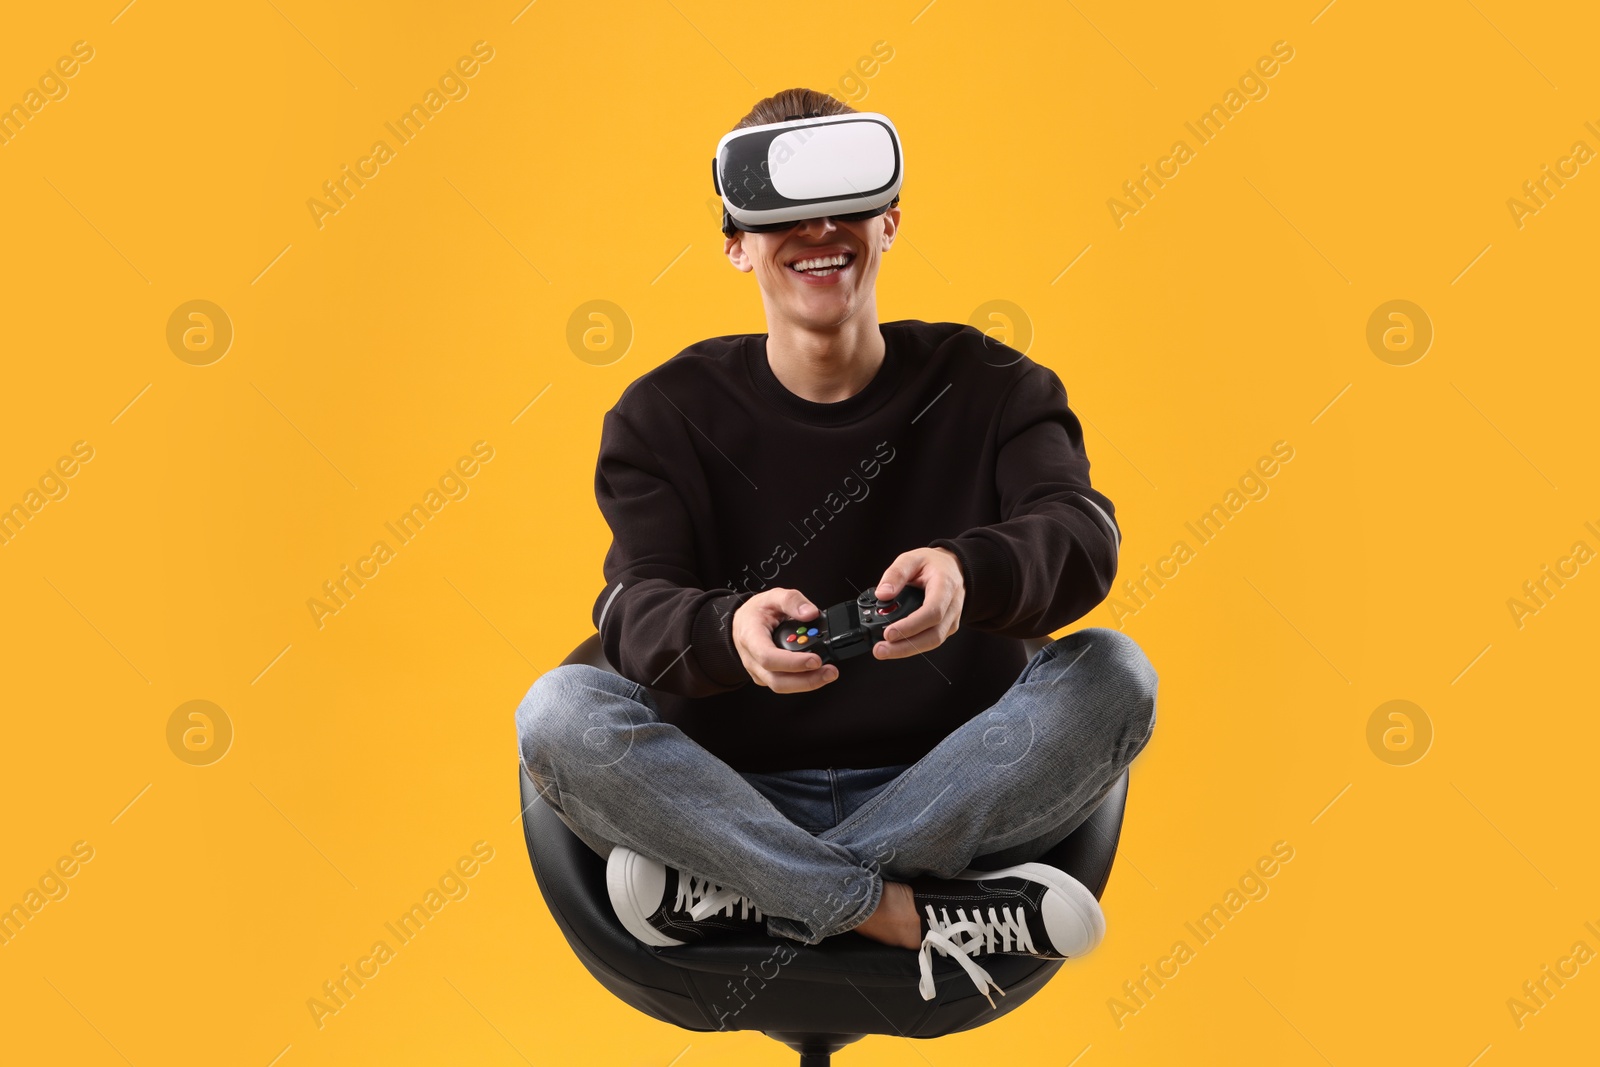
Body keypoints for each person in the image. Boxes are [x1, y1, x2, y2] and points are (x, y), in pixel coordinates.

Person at [515, 87, 1157, 1007]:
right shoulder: (663, 414)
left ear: (889, 220)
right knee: (557, 710)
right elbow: (634, 611)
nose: (818, 230)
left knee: (1117, 673)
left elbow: (1085, 534)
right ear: (736, 243)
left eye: (845, 202)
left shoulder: (995, 386)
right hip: (723, 796)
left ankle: (755, 898)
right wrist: (727, 629)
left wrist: (970, 573)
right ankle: (897, 912)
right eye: (781, 211)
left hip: (949, 787)